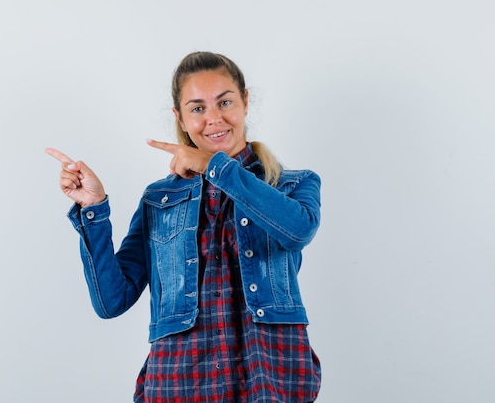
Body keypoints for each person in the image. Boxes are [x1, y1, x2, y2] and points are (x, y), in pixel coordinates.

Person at [46, 51, 322, 402]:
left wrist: (216, 166)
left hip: (269, 378)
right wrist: (93, 209)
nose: (214, 119)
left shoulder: (291, 185)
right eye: (197, 108)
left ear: (245, 101)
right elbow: (111, 301)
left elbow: (298, 231)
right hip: (179, 381)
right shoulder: (160, 199)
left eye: (225, 102)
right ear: (180, 117)